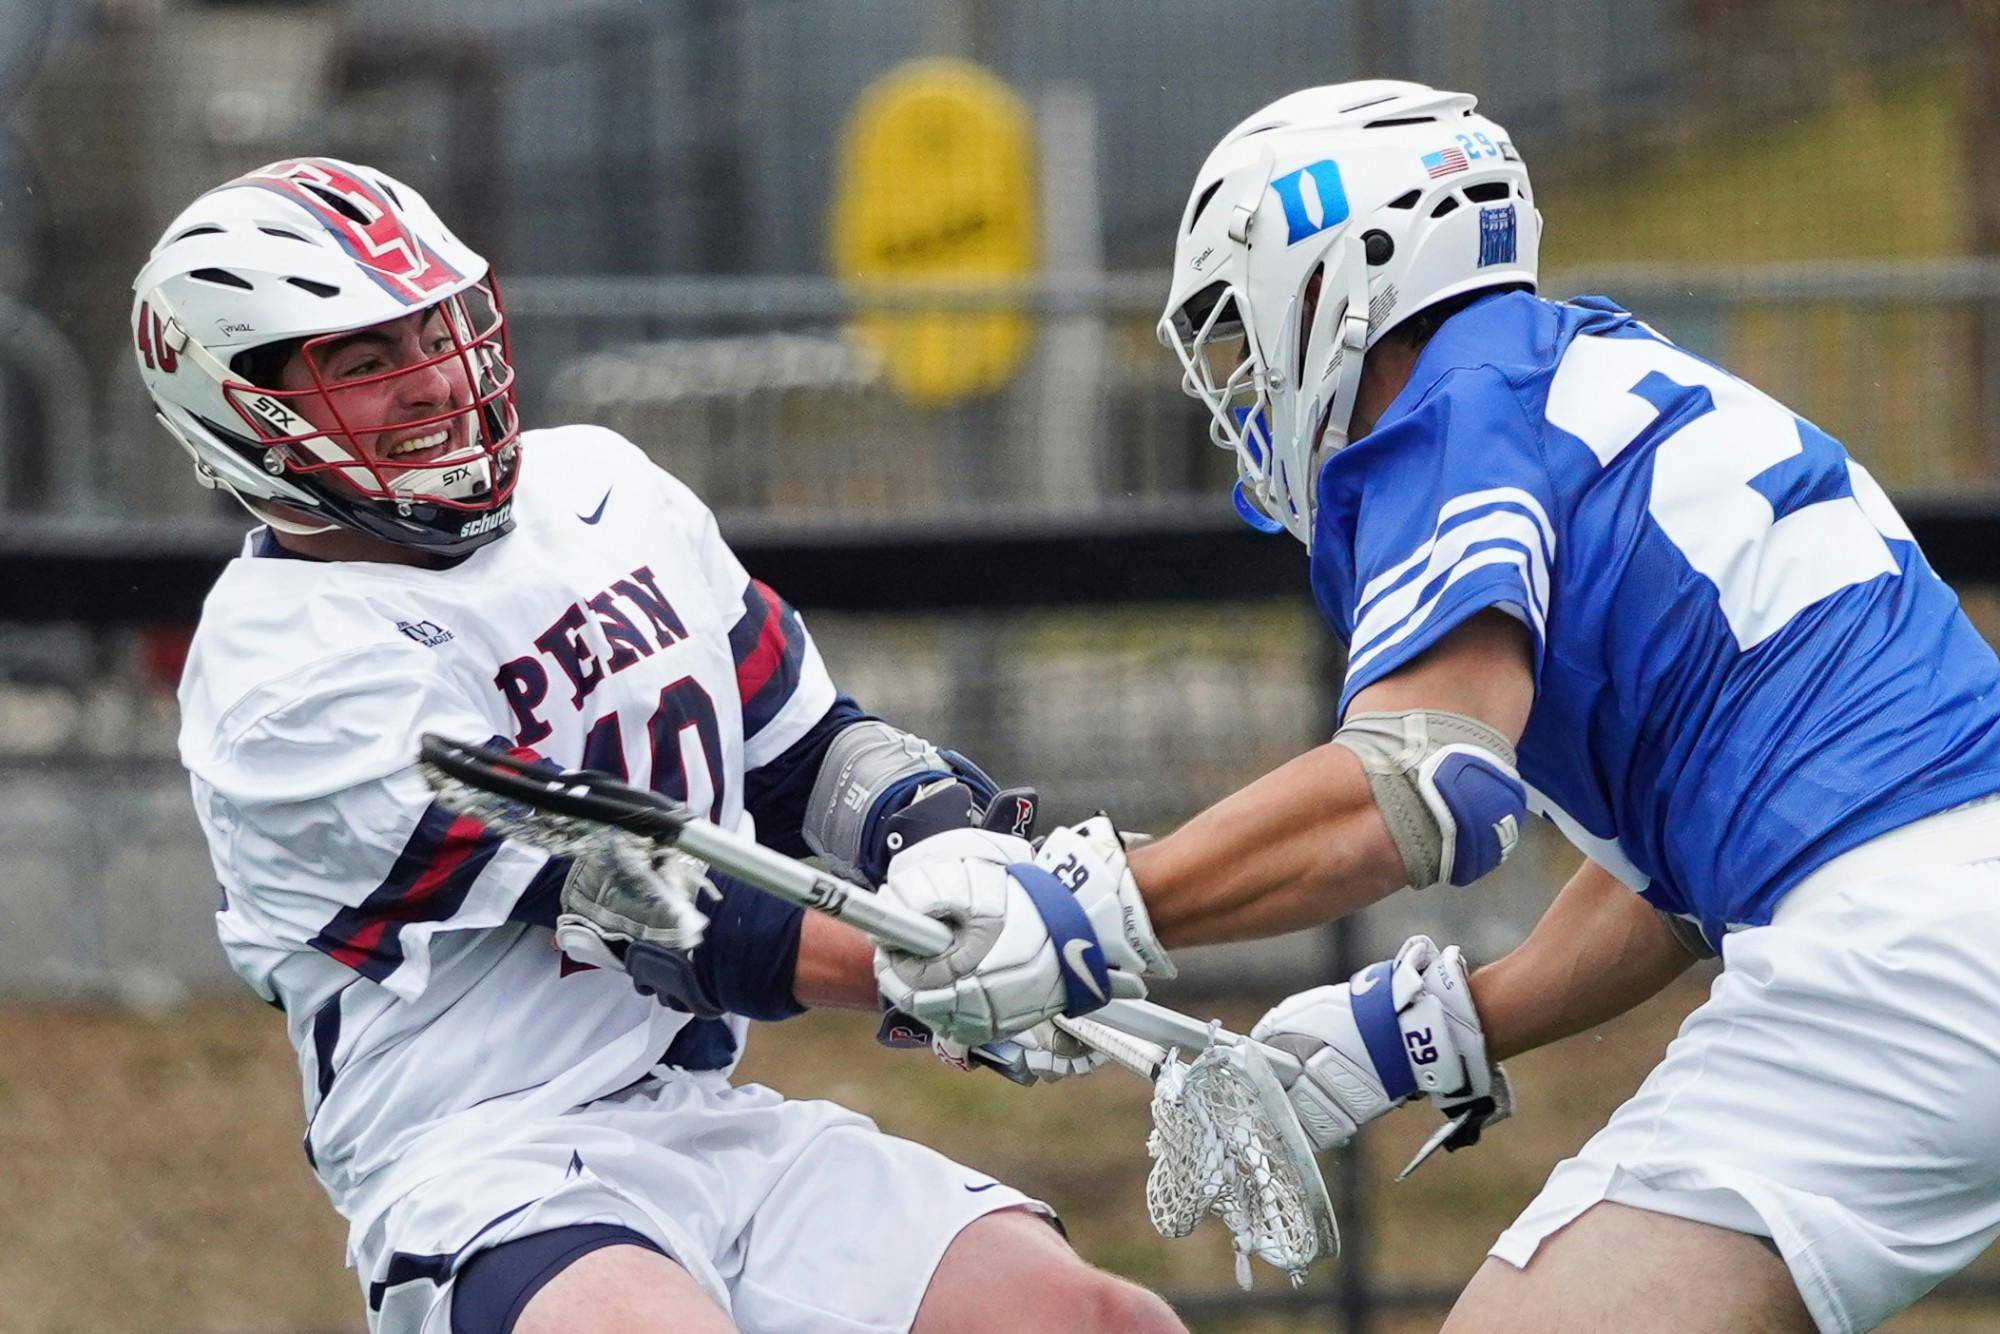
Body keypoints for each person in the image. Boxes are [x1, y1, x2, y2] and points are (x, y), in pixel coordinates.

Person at [872, 80, 2000, 1334]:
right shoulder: (1592, 376)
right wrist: (1422, 1026)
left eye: (1246, 332)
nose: (1244, 389)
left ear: (1336, 282)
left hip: (1892, 966)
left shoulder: (1450, 411)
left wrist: (1089, 905)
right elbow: (1690, 867)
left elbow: (1426, 777)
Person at [132, 157, 1182, 1334]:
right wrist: (935, 964)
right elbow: (649, 894)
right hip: (489, 1158)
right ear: (245, 413)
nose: (433, 380)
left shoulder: (597, 483)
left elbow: (805, 753)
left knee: (1099, 1321)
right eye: (369, 363)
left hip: (698, 1109)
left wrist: (958, 850)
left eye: (436, 329)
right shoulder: (280, 679)